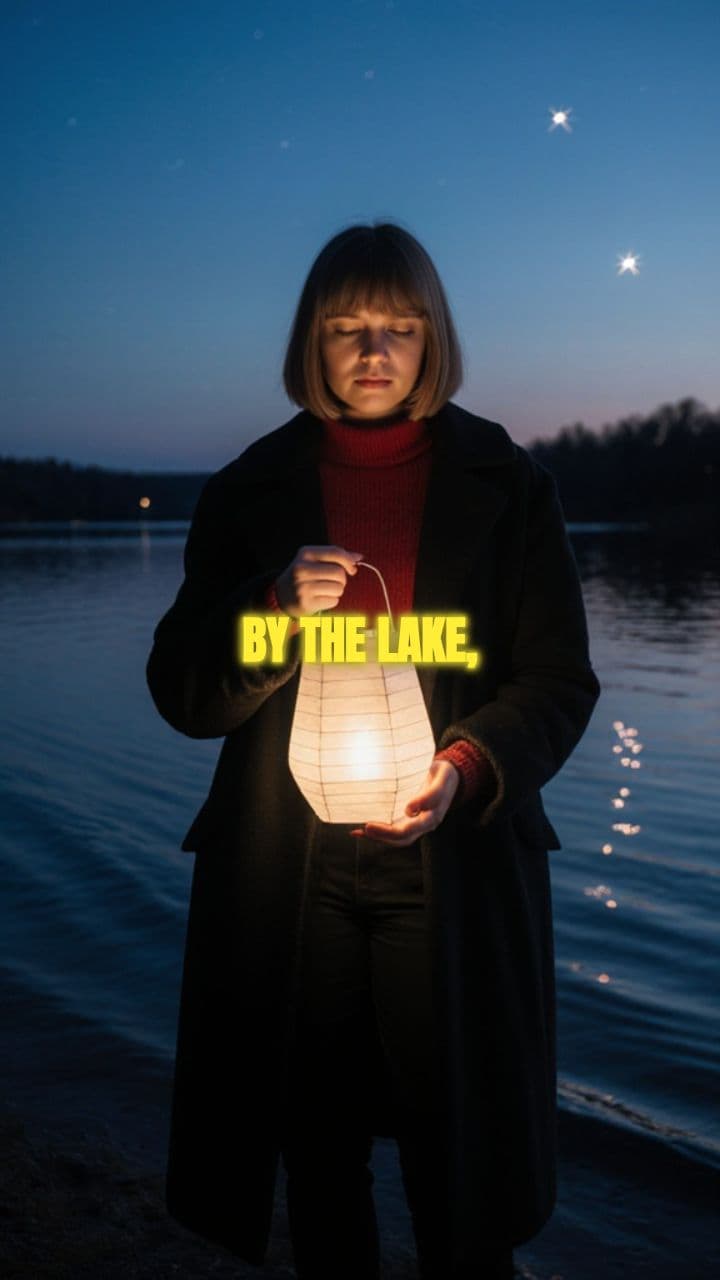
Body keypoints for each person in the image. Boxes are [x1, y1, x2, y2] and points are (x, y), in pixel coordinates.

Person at [146, 221, 601, 1279]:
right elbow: (183, 690)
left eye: (398, 326)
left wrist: (467, 767)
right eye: (347, 326)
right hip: (286, 867)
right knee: (316, 1133)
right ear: (311, 338)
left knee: (461, 1138)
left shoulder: (511, 484)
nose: (372, 350)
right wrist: (270, 611)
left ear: (433, 337)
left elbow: (558, 679)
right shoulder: (248, 492)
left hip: (455, 855)